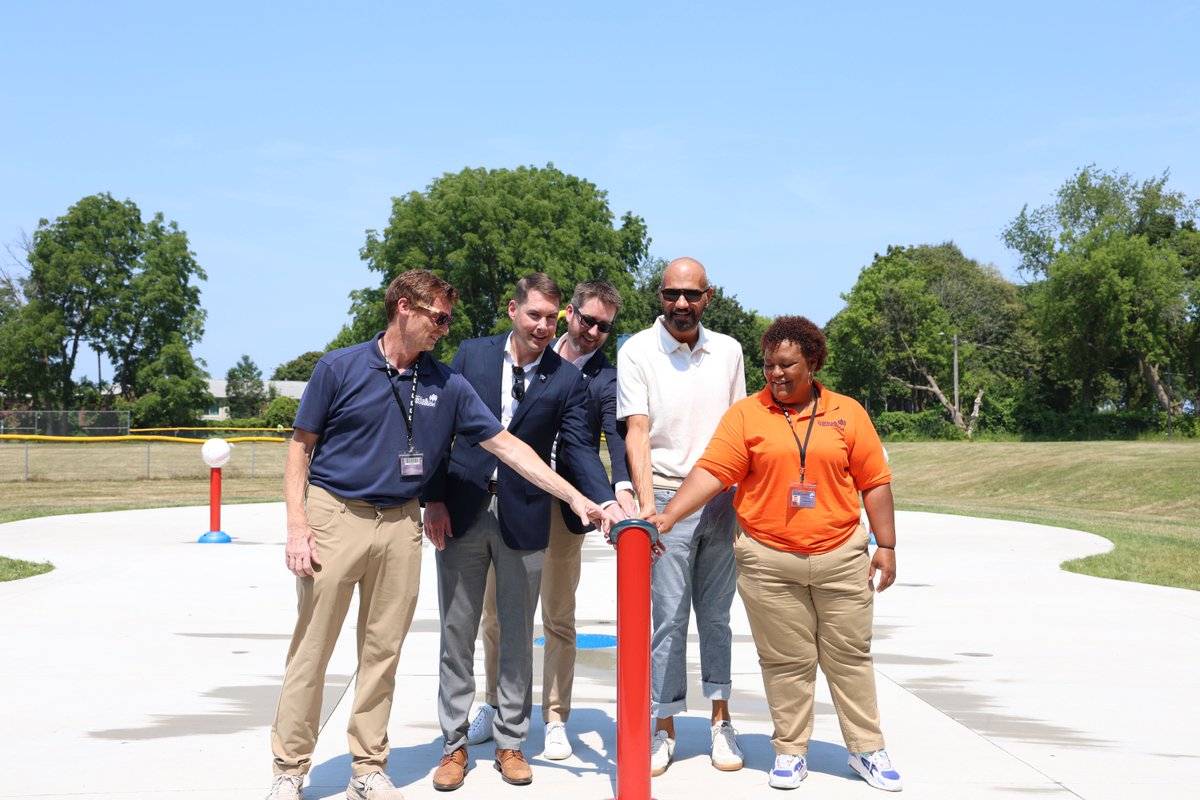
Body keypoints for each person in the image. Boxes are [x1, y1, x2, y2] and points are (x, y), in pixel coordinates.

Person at [265, 270, 619, 800]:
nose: (445, 328)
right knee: (313, 650)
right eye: (439, 318)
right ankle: (290, 769)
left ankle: (368, 767)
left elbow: (507, 446)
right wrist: (297, 525)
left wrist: (576, 497)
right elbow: (300, 447)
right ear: (404, 307)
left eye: (449, 320)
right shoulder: (339, 367)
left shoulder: (444, 382)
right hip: (337, 515)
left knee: (383, 652)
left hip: (400, 524)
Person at [650, 315, 903, 792]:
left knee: (849, 655)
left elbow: (874, 481)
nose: (776, 373)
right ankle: (790, 751)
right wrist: (669, 515)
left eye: (787, 365)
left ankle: (867, 749)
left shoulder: (848, 412)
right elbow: (712, 471)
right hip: (767, 560)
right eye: (769, 364)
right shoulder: (747, 415)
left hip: (840, 556)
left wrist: (885, 544)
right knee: (786, 660)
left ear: (813, 364)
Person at [422, 273, 619, 790]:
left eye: (551, 317)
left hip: (527, 516)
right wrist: (433, 498)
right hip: (462, 509)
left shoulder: (566, 379)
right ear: (513, 310)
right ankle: (453, 745)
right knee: (458, 632)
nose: (543, 325)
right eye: (534, 315)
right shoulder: (472, 355)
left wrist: (602, 500)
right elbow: (441, 432)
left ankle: (511, 742)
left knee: (516, 633)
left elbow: (579, 448)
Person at [468, 279, 639, 761]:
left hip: (565, 508)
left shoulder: (605, 379)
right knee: (495, 614)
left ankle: (557, 716)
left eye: (605, 327)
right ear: (570, 313)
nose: (594, 332)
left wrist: (617, 493)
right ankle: (494, 702)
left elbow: (612, 440)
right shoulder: (527, 350)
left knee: (558, 616)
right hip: (507, 499)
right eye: (588, 320)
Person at [616, 257, 746, 776]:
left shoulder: (729, 351)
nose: (682, 304)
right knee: (668, 620)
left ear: (708, 297)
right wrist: (650, 507)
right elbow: (637, 432)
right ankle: (664, 726)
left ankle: (721, 721)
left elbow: (740, 429)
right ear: (660, 296)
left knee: (716, 617)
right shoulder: (637, 350)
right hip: (668, 498)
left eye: (691, 294)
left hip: (721, 499)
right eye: (672, 294)